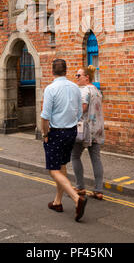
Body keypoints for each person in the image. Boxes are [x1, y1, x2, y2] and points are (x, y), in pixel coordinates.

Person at [41, 58, 88, 222]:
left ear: (52, 71)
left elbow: (45, 116)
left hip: (56, 133)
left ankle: (76, 199)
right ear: (66, 71)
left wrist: (45, 134)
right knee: (61, 166)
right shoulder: (75, 88)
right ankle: (57, 202)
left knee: (53, 170)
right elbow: (79, 113)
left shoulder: (50, 89)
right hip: (71, 132)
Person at [71, 65, 105, 200]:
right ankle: (98, 190)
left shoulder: (84, 91)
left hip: (83, 130)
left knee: (74, 156)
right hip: (97, 129)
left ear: (87, 77)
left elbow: (82, 109)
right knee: (96, 159)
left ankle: (80, 187)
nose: (76, 78)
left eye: (78, 75)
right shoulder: (96, 90)